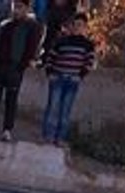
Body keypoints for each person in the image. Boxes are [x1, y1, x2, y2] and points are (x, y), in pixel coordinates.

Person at [0, 0, 41, 141]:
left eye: (20, 7)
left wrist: (22, 66)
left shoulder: (31, 27)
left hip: (15, 67)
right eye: (15, 7)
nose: (16, 10)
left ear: (26, 8)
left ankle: (7, 130)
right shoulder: (4, 25)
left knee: (11, 99)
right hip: (0, 66)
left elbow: (30, 49)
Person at [41, 13, 94, 145]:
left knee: (65, 110)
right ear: (71, 26)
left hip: (73, 80)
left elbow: (89, 62)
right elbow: (51, 57)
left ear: (85, 27)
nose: (77, 28)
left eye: (80, 25)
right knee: (53, 107)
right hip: (58, 77)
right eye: (75, 25)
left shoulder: (87, 45)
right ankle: (48, 135)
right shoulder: (62, 41)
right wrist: (50, 73)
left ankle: (60, 138)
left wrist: (80, 76)